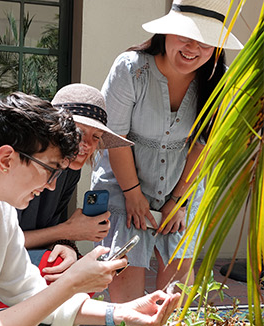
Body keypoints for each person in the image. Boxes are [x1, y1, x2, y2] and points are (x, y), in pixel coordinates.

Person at [0, 93, 180, 326]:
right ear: (6, 159)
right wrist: (73, 282)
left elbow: (27, 290)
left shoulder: (0, 209)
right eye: (51, 170)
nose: (53, 184)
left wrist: (124, 312)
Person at [91, 0, 242, 302]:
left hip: (182, 185)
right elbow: (114, 137)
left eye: (206, 41)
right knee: (124, 283)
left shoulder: (218, 78)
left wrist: (178, 199)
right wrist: (133, 194)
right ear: (167, 32)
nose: (193, 48)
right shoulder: (130, 69)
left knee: (177, 292)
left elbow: (203, 145)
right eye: (185, 35)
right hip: (124, 181)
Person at [17, 84, 134, 283]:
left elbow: (51, 232)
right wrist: (68, 231)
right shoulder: (24, 167)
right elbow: (2, 241)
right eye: (80, 133)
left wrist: (67, 245)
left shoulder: (70, 173)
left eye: (96, 137)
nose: (87, 144)